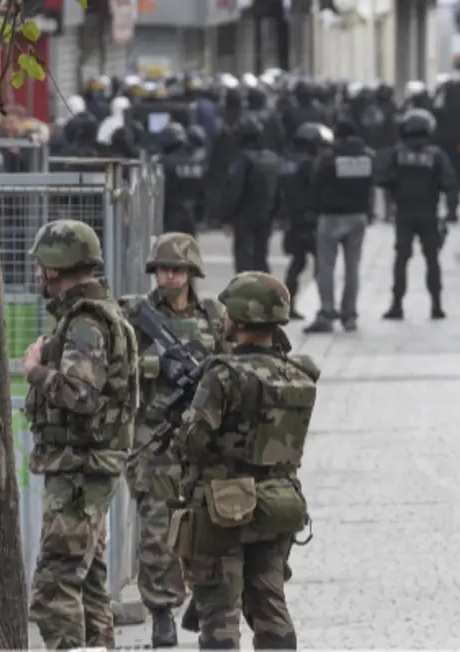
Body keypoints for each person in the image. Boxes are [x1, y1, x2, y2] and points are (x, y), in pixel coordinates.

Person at [173, 272, 319, 649]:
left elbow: (191, 442)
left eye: (227, 312)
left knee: (219, 611)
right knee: (270, 605)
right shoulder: (298, 374)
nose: (222, 317)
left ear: (239, 319)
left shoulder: (222, 376)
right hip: (279, 503)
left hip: (224, 508)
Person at [22, 219, 140, 649]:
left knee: (53, 590)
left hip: (80, 470)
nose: (39, 273)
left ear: (55, 268)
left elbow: (81, 395)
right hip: (87, 468)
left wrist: (36, 372)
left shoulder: (85, 323)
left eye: (42, 265)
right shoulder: (95, 314)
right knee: (88, 584)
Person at [119, 233, 230, 647]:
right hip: (154, 436)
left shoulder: (214, 315)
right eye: (164, 269)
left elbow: (233, 365)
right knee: (157, 526)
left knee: (209, 524)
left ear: (192, 272)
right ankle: (162, 612)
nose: (170, 276)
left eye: (178, 269)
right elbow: (111, 364)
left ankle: (203, 599)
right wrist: (155, 366)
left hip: (202, 434)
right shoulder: (135, 315)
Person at [374, 108, 457, 320]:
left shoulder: (397, 154)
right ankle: (436, 306)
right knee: (432, 259)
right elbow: (449, 183)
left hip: (404, 213)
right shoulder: (436, 155)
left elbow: (383, 179)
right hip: (429, 212)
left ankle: (397, 305)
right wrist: (450, 211)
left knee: (401, 259)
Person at [305, 118, 375, 333]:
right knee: (352, 267)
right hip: (357, 216)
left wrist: (314, 210)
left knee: (326, 266)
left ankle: (326, 312)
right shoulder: (367, 156)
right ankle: (349, 314)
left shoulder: (328, 157)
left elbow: (315, 184)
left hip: (330, 216)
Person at [279, 122, 334, 320]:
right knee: (322, 263)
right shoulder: (310, 163)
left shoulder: (286, 162)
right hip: (309, 219)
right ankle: (326, 306)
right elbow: (316, 190)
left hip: (292, 220)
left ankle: (288, 305)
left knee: (297, 263)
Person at [220, 115, 282, 273]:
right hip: (266, 215)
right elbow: (279, 191)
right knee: (261, 258)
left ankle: (245, 288)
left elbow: (234, 191)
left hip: (245, 217)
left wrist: (226, 217)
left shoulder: (242, 160)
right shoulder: (272, 159)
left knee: (244, 260)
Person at [158, 123, 204, 237]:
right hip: (191, 217)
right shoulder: (195, 163)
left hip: (170, 217)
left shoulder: (165, 163)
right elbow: (203, 192)